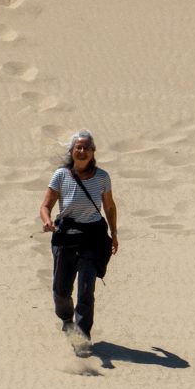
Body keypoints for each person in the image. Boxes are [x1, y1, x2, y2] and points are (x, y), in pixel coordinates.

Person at [39, 130, 118, 347]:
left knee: (85, 291)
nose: (82, 151)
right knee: (61, 291)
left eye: (86, 148)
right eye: (78, 147)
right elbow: (46, 205)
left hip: (93, 238)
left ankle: (82, 338)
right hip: (65, 237)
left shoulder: (102, 177)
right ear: (72, 151)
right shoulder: (61, 175)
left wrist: (114, 234)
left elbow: (109, 207)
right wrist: (47, 220)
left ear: (93, 152)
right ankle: (66, 320)